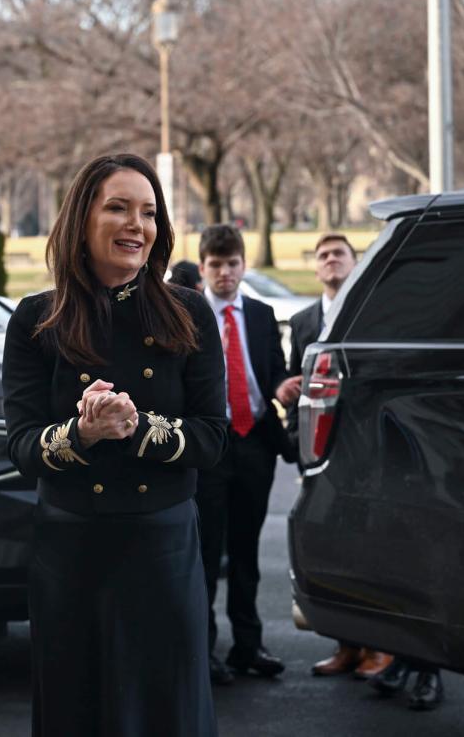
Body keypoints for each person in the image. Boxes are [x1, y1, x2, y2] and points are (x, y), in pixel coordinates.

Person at [3, 154, 227, 735]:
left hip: (161, 546)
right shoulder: (36, 320)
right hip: (70, 550)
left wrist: (137, 429)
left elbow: (211, 437)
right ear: (82, 219)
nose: (137, 225)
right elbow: (23, 448)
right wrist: (82, 434)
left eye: (149, 213)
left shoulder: (189, 312)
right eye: (119, 208)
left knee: (164, 709)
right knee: (75, 707)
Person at [195, 224, 300, 685]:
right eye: (215, 265)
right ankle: (204, 648)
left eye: (232, 264)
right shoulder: (191, 314)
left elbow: (270, 370)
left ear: (243, 265)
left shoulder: (259, 314)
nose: (224, 273)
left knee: (246, 550)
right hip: (210, 446)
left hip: (254, 440)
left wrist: (282, 385)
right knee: (205, 552)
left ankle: (248, 643)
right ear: (202, 268)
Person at [289, 233, 393, 681]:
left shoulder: (376, 313)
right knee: (332, 552)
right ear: (316, 267)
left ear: (355, 263)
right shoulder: (301, 320)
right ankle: (346, 646)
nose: (331, 260)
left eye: (339, 254)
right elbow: (294, 378)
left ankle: (379, 646)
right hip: (320, 454)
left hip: (368, 452)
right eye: (324, 255)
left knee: (371, 552)